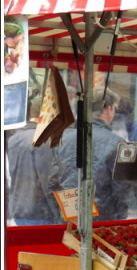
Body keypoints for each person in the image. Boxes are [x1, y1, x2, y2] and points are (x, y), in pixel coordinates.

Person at [51, 88, 129, 222]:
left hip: (69, 216)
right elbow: (121, 189)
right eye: (115, 109)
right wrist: (121, 217)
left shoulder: (63, 139)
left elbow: (53, 181)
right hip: (103, 218)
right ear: (108, 109)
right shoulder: (118, 143)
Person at [6, 95, 63, 225]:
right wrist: (59, 213)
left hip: (20, 208)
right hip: (41, 212)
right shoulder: (42, 140)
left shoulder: (14, 138)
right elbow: (48, 181)